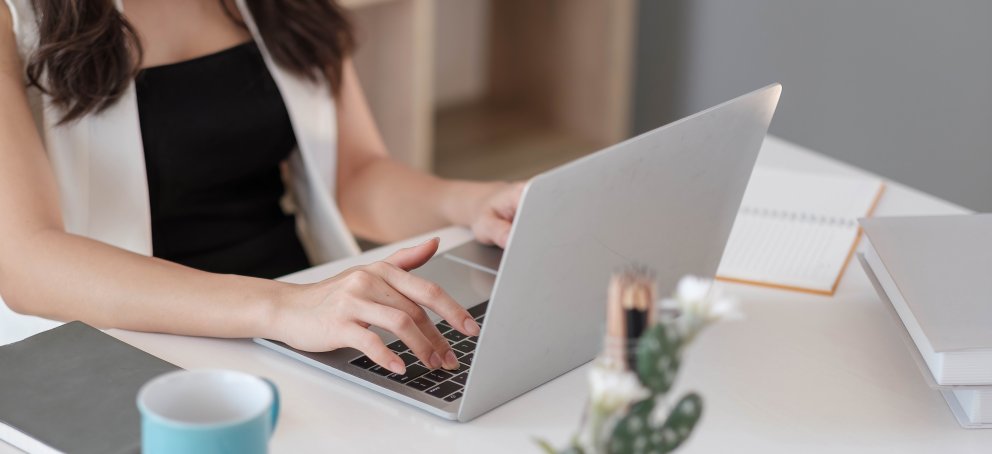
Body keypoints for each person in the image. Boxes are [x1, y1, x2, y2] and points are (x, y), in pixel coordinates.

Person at [0, 0, 523, 375]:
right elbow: (26, 261)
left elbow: (355, 174)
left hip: (311, 324)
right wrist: (283, 307)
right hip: (145, 339)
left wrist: (472, 203)